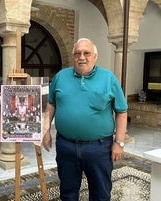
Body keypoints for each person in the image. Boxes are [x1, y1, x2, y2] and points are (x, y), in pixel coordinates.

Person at [43, 38, 128, 201]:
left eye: (86, 53)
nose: (82, 57)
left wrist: (119, 142)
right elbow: (51, 104)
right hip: (66, 146)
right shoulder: (60, 77)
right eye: (77, 53)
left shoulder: (108, 78)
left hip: (99, 148)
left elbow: (122, 111)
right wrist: (45, 130)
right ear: (73, 56)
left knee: (100, 194)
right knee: (68, 192)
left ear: (95, 56)